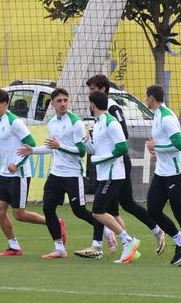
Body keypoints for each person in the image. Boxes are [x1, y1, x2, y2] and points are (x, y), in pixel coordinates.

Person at [73, 75, 166, 260]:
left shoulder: (112, 110)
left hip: (117, 164)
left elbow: (122, 137)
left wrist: (102, 156)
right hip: (108, 166)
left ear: (102, 90)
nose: (90, 93)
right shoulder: (99, 120)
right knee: (115, 207)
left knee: (106, 208)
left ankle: (123, 241)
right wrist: (86, 140)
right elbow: (97, 145)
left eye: (92, 89)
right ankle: (117, 243)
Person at [0, 89, 54, 256]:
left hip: (19, 175)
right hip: (4, 174)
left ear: (5, 104)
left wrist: (18, 163)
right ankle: (14, 247)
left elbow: (30, 144)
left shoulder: (15, 122)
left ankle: (54, 223)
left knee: (19, 214)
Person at [143, 85, 181, 267]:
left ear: (152, 98)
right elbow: (166, 143)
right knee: (153, 210)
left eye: (146, 97)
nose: (145, 100)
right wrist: (158, 154)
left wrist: (157, 148)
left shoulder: (167, 117)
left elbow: (178, 144)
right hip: (162, 172)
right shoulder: (157, 115)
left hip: (176, 174)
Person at [37, 88, 102, 259]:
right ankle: (59, 248)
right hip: (56, 174)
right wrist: (32, 151)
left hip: (73, 174)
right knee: (47, 208)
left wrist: (60, 146)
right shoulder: (51, 122)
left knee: (79, 211)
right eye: (59, 101)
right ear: (52, 104)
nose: (63, 103)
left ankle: (106, 229)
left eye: (65, 100)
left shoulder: (76, 122)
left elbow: (81, 151)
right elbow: (52, 148)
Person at [86, 90, 141, 264]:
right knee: (105, 212)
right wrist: (85, 141)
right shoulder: (98, 123)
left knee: (98, 211)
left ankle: (128, 241)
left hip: (113, 174)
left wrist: (99, 159)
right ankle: (130, 246)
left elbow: (122, 147)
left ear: (93, 104)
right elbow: (96, 150)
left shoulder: (111, 122)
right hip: (104, 174)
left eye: (89, 103)